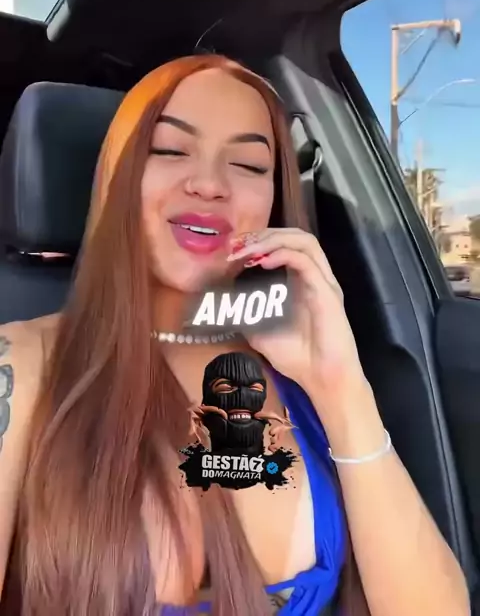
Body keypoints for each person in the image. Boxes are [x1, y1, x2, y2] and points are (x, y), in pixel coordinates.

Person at [0, 54, 469, 616]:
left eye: (248, 164)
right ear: (117, 176)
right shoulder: (22, 365)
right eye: (170, 150)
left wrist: (342, 390)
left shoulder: (297, 372)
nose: (209, 184)